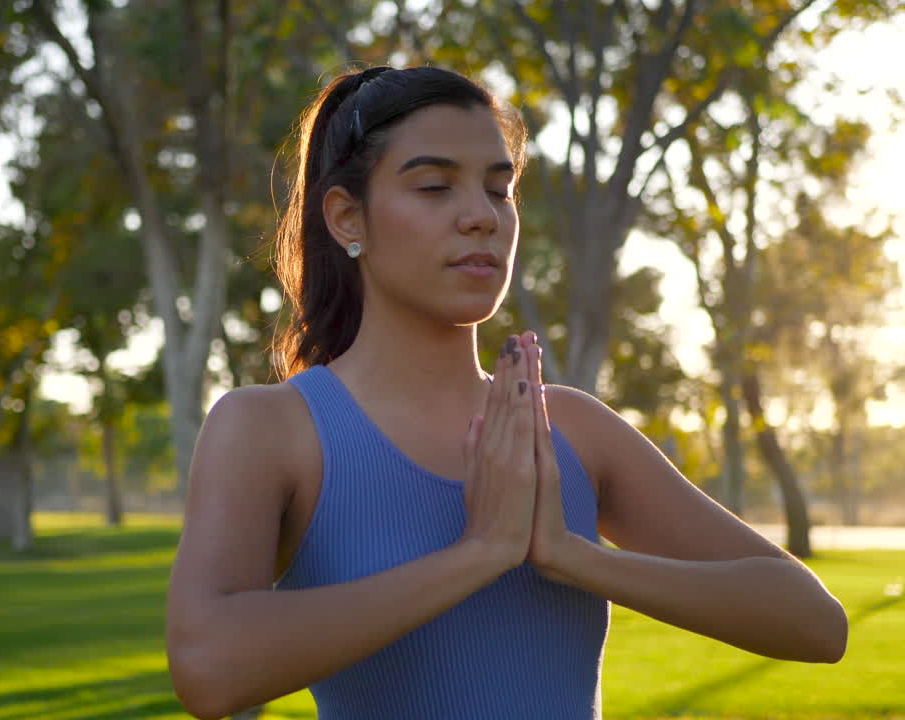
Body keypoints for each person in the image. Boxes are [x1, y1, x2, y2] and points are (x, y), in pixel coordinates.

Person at [165, 66, 847, 720]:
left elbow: (816, 624)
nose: (481, 217)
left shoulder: (571, 429)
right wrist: (480, 553)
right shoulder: (273, 429)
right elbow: (207, 670)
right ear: (348, 218)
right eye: (435, 187)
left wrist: (571, 557)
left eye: (499, 189)